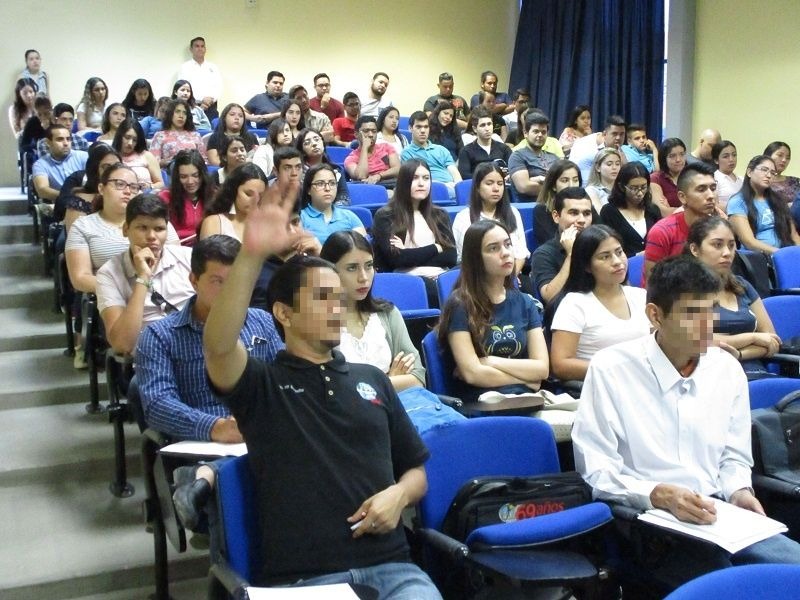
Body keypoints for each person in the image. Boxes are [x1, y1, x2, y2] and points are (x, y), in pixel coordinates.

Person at [200, 186, 441, 595]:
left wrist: (400, 495)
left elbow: (416, 471)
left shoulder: (373, 379)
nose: (336, 307)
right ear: (284, 313)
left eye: (338, 297)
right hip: (307, 581)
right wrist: (252, 254)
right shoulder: (262, 385)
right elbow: (218, 346)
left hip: (393, 570)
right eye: (321, 298)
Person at [572, 254, 800, 595]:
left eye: (711, 310)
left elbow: (733, 457)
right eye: (692, 313)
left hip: (718, 513)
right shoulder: (611, 369)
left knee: (792, 571)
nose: (707, 325)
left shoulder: (726, 368)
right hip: (649, 522)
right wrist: (656, 494)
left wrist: (739, 490)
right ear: (655, 315)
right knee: (731, 588)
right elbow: (597, 470)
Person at [136, 235, 283, 442]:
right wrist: (215, 427)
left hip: (264, 434)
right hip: (203, 441)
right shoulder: (160, 336)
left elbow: (284, 381)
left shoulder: (264, 322)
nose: (230, 291)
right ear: (194, 281)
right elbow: (157, 405)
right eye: (218, 281)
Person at [438, 220, 549, 401]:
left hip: (526, 399)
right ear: (476, 258)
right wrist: (527, 379)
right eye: (493, 248)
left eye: (507, 244)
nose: (505, 253)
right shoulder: (459, 305)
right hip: (482, 402)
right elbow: (472, 374)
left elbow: (542, 369)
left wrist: (490, 361)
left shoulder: (525, 302)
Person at [320, 230, 425, 391]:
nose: (364, 277)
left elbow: (418, 378)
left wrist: (380, 384)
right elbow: (331, 388)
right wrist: (387, 381)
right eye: (352, 268)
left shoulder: (387, 313)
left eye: (369, 266)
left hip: (401, 404)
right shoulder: (316, 323)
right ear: (329, 272)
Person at [96, 194, 194, 355]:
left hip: (195, 347)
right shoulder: (108, 273)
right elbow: (122, 344)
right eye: (142, 228)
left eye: (159, 229)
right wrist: (143, 278)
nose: (151, 237)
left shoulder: (188, 258)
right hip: (149, 354)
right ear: (126, 229)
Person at [550, 225, 650, 382]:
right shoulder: (574, 304)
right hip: (600, 384)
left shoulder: (640, 296)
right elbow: (561, 365)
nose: (617, 261)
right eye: (605, 257)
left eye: (619, 252)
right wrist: (618, 370)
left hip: (643, 380)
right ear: (587, 266)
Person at [685, 216, 780, 379]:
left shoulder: (742, 285)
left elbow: (772, 340)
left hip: (757, 374)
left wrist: (739, 354)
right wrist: (753, 337)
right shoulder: (683, 289)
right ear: (694, 249)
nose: (727, 253)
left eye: (731, 245)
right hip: (711, 377)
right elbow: (696, 341)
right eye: (717, 245)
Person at [372, 159, 457, 303]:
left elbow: (450, 256)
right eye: (415, 178)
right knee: (432, 289)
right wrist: (436, 247)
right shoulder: (386, 215)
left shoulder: (439, 214)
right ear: (403, 182)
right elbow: (396, 260)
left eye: (426, 178)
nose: (421, 183)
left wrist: (408, 253)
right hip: (406, 281)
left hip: (441, 276)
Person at [66, 163, 153, 295]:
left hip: (160, 292)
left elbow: (175, 262)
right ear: (101, 188)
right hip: (111, 297)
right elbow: (80, 278)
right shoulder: (82, 226)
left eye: (133, 187)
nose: (128, 191)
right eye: (119, 184)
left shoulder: (153, 221)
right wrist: (132, 288)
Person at [644, 163, 719, 283]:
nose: (711, 196)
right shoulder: (662, 232)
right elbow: (652, 284)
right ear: (682, 197)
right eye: (701, 189)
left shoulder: (718, 229)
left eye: (713, 188)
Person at [452, 162, 528, 273]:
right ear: (477, 187)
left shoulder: (513, 212)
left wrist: (511, 278)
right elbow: (466, 258)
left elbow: (521, 254)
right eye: (489, 183)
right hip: (477, 275)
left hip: (512, 274)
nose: (496, 188)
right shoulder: (463, 217)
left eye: (500, 184)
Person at [531, 187, 593, 304]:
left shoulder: (599, 246)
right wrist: (571, 254)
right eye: (574, 213)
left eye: (586, 213)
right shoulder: (543, 253)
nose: (582, 220)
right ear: (556, 216)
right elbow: (550, 297)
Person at [727, 155, 800, 254]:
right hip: (757, 257)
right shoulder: (738, 202)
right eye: (764, 170)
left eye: (772, 173)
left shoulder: (779, 200)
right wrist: (781, 255)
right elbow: (749, 242)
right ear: (749, 172)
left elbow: (794, 235)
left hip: (785, 253)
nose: (769, 175)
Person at [599, 162, 662, 257]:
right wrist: (636, 256)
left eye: (643, 187)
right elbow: (605, 246)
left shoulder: (653, 210)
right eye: (634, 188)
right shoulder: (609, 212)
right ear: (621, 187)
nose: (640, 193)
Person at [57, 141, 121, 232]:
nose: (113, 172)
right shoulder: (79, 202)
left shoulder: (126, 195)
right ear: (94, 171)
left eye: (117, 166)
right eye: (106, 167)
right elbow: (75, 239)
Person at [199, 163, 268, 242]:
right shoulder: (214, 223)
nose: (255, 200)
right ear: (234, 191)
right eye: (248, 194)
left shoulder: (266, 226)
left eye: (260, 196)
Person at [300, 164, 365, 244]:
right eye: (320, 184)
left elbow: (363, 248)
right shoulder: (300, 218)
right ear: (308, 190)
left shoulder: (349, 216)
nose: (327, 188)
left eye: (332, 183)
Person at [400, 112, 462, 194]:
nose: (423, 131)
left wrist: (459, 188)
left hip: (451, 187)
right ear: (410, 128)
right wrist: (441, 187)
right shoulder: (407, 153)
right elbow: (415, 179)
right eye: (418, 127)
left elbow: (454, 172)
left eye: (426, 127)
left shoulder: (441, 149)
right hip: (428, 189)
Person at [159, 149, 210, 245]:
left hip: (206, 247)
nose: (190, 181)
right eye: (183, 177)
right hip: (176, 248)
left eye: (195, 175)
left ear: (202, 175)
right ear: (177, 177)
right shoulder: (165, 198)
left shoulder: (214, 197)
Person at [508, 111, 559, 202]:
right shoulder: (517, 156)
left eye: (543, 132)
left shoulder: (554, 158)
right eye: (536, 131)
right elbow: (524, 187)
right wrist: (555, 188)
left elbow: (565, 182)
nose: (540, 135)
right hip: (530, 206)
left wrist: (536, 180)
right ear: (525, 133)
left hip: (556, 205)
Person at [31, 125, 89, 203]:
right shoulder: (40, 164)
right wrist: (70, 197)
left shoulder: (84, 157)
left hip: (87, 202)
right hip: (60, 204)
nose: (66, 143)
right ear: (48, 142)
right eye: (60, 139)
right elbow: (42, 190)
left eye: (68, 139)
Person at [533, 159, 583, 247]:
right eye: (565, 180)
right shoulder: (542, 210)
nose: (571, 185)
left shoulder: (586, 207)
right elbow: (552, 244)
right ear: (553, 186)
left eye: (575, 180)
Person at [295, 128, 350, 205]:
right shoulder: (297, 172)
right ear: (302, 151)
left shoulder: (336, 170)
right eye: (307, 143)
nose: (314, 144)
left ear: (323, 143)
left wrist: (331, 210)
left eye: (316, 139)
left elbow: (344, 198)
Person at [456, 106, 512, 179]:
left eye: (489, 124)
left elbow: (513, 170)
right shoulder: (466, 151)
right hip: (477, 185)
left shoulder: (504, 149)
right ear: (475, 129)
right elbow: (464, 176)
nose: (487, 129)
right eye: (482, 125)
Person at [150, 99, 207, 168]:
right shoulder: (160, 136)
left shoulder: (195, 135)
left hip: (193, 169)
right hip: (170, 170)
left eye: (184, 113)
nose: (181, 116)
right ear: (170, 114)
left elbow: (203, 160)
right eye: (177, 112)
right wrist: (170, 161)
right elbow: (153, 163)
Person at [344, 116, 400, 187]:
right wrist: (365, 148)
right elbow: (361, 176)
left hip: (390, 185)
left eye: (374, 131)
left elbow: (397, 169)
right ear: (356, 134)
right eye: (366, 131)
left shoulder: (386, 147)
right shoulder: (351, 159)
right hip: (369, 189)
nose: (371, 135)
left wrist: (379, 176)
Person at [569, 115, 627, 182]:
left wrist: (625, 166)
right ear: (604, 134)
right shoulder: (583, 147)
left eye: (622, 134)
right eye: (614, 134)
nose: (618, 138)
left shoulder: (623, 152)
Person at [177, 36, 223, 120]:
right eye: (197, 46)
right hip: (192, 106)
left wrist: (210, 100)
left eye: (202, 46)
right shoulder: (185, 67)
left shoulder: (213, 67)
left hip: (211, 107)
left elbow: (218, 86)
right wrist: (201, 100)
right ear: (191, 49)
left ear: (205, 49)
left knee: (212, 127)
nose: (200, 49)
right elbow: (182, 88)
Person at [112, 119, 163, 190]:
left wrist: (150, 187)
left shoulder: (147, 156)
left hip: (145, 194)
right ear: (119, 136)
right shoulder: (112, 157)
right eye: (127, 137)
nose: (130, 143)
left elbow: (161, 184)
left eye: (134, 140)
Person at [650, 137, 688, 210]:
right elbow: (662, 211)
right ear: (664, 159)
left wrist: (671, 208)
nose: (678, 159)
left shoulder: (691, 176)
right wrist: (690, 210)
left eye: (682, 154)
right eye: (672, 156)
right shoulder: (655, 178)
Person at [585, 147, 622, 212]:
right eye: (609, 164)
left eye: (617, 164)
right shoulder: (591, 190)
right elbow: (601, 213)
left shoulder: (623, 189)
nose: (614, 167)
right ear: (598, 167)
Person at [764, 141, 800, 206]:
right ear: (767, 156)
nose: (784, 160)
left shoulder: (795, 181)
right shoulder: (758, 182)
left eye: (788, 158)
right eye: (780, 155)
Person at [713, 140, 743, 211]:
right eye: (725, 156)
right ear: (716, 160)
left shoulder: (742, 180)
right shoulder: (713, 179)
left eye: (734, 155)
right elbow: (714, 205)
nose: (731, 159)